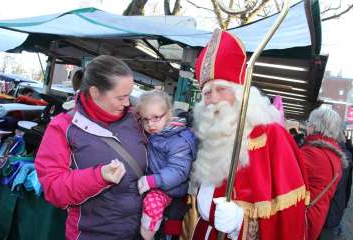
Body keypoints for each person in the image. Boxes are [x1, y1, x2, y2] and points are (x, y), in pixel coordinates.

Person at [189, 29, 308, 240]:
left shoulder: (272, 136)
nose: (214, 99)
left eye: (222, 89)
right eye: (207, 92)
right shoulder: (211, 138)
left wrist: (241, 224)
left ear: (241, 93)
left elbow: (289, 220)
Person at [35, 55, 147, 240]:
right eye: (121, 97)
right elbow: (54, 189)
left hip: (137, 233)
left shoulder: (136, 119)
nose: (128, 103)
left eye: (129, 95)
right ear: (95, 93)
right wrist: (98, 177)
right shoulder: (63, 127)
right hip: (92, 234)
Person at [135, 90, 197, 240]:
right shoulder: (155, 134)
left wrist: (153, 180)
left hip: (169, 189)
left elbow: (179, 171)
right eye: (145, 119)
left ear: (168, 113)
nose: (150, 124)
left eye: (156, 118)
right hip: (154, 183)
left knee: (152, 204)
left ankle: (146, 236)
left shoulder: (179, 140)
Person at [300, 106, 347, 240]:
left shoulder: (312, 154)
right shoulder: (334, 156)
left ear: (315, 127)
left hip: (302, 219)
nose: (307, 127)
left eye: (308, 124)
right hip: (317, 217)